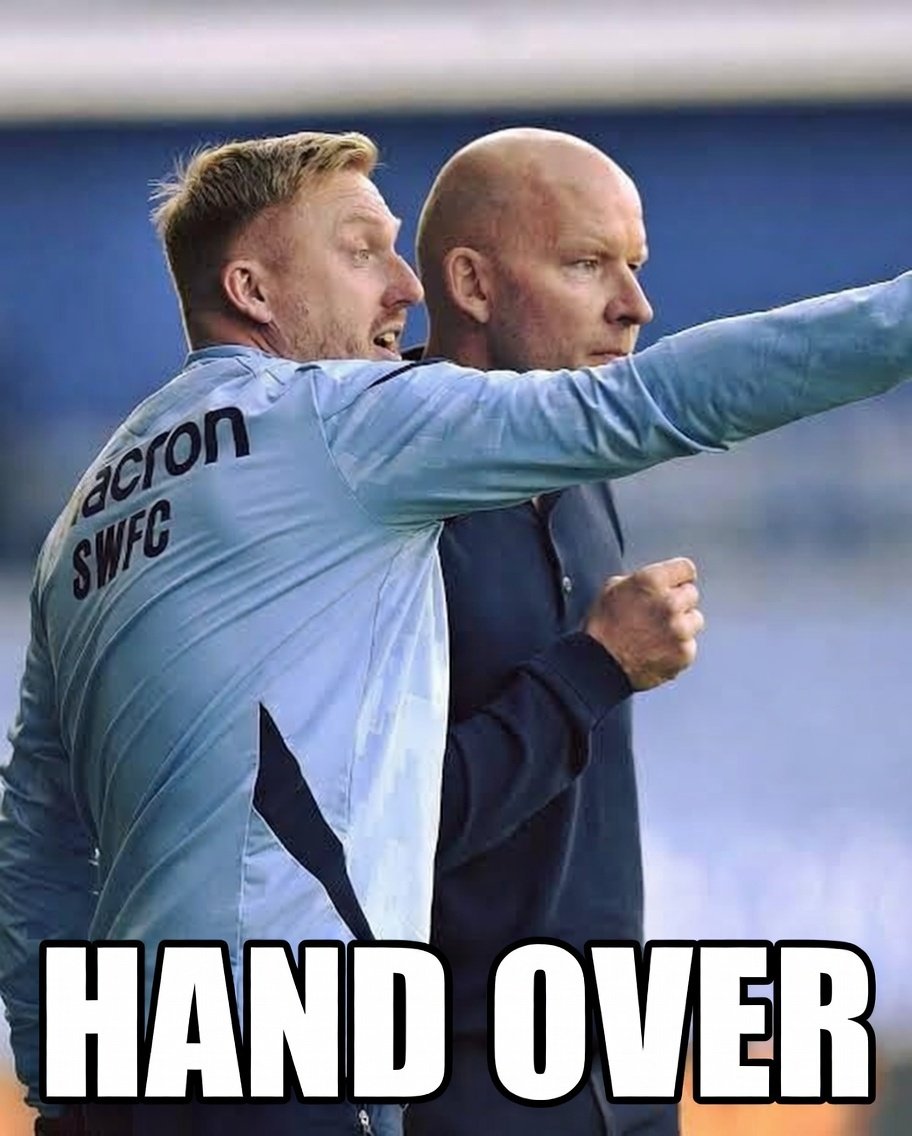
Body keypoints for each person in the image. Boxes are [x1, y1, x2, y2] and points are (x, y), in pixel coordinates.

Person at [1, 127, 911, 1136]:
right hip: (306, 1058)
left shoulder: (85, 516)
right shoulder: (336, 425)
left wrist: (63, 1091)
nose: (405, 286)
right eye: (361, 252)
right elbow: (651, 400)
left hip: (147, 1066)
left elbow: (38, 836)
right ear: (253, 290)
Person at [405, 127, 689, 1136]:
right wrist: (594, 666)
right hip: (461, 1086)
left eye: (635, 265)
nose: (635, 306)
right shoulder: (379, 506)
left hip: (622, 1067)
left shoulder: (578, 459)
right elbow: (384, 823)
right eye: (585, 264)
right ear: (472, 284)